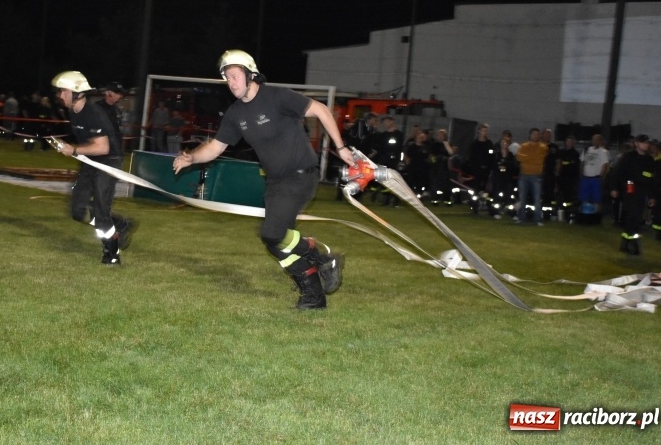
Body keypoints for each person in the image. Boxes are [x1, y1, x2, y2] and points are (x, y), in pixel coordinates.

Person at [173, 50, 355, 310]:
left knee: (272, 233)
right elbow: (214, 148)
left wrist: (341, 147)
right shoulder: (235, 114)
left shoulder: (277, 96)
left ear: (250, 75)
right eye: (227, 78)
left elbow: (322, 110)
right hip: (276, 183)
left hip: (301, 175)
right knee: (275, 242)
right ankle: (314, 295)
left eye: (235, 76)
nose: (231, 82)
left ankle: (320, 257)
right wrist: (191, 158)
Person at [51, 72, 134, 265]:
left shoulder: (94, 113)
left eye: (64, 91)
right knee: (78, 210)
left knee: (100, 214)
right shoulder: (73, 111)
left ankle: (112, 254)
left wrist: (74, 150)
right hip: (89, 161)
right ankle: (121, 223)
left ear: (77, 93)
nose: (60, 95)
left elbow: (103, 147)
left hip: (108, 162)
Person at [610, 134, 657, 255]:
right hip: (630, 187)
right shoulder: (629, 157)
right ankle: (633, 244)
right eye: (643, 142)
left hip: (642, 190)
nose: (646, 145)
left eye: (647, 143)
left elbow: (651, 179)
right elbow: (617, 172)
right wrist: (614, 188)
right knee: (633, 215)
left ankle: (626, 243)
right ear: (637, 143)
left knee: (635, 217)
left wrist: (652, 196)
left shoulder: (649, 160)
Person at [515, 127, 548, 226]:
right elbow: (519, 157)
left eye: (537, 134)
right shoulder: (523, 146)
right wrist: (532, 157)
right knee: (522, 198)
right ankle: (522, 218)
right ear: (530, 135)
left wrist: (527, 158)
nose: (536, 136)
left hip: (536, 176)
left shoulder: (543, 147)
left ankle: (537, 219)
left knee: (537, 198)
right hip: (523, 175)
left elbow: (540, 160)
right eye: (534, 134)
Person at [375, 116, 404, 207]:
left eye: (387, 122)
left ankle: (396, 200)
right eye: (384, 122)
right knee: (384, 179)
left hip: (394, 159)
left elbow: (399, 148)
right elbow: (380, 148)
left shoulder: (398, 134)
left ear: (392, 122)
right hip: (384, 159)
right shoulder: (383, 135)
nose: (385, 124)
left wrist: (399, 160)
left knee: (394, 179)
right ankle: (386, 199)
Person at [579, 133, 610, 214]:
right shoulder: (587, 150)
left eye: (597, 140)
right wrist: (581, 173)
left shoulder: (603, 152)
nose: (594, 141)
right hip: (586, 177)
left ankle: (596, 214)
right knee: (584, 197)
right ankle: (584, 214)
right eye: (593, 139)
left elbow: (604, 165)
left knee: (597, 198)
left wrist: (601, 176)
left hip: (595, 178)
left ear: (600, 141)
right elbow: (582, 162)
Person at [96, 82, 127, 158]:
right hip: (100, 152)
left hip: (115, 152)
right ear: (107, 93)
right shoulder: (96, 108)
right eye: (116, 93)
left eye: (120, 93)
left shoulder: (117, 110)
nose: (119, 95)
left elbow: (118, 131)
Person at [556, 135, 580, 213]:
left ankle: (567, 211)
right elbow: (559, 163)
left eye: (571, 141)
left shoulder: (575, 154)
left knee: (568, 196)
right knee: (559, 194)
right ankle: (558, 210)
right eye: (568, 141)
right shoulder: (561, 152)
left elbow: (575, 166)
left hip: (570, 178)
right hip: (561, 177)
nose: (569, 143)